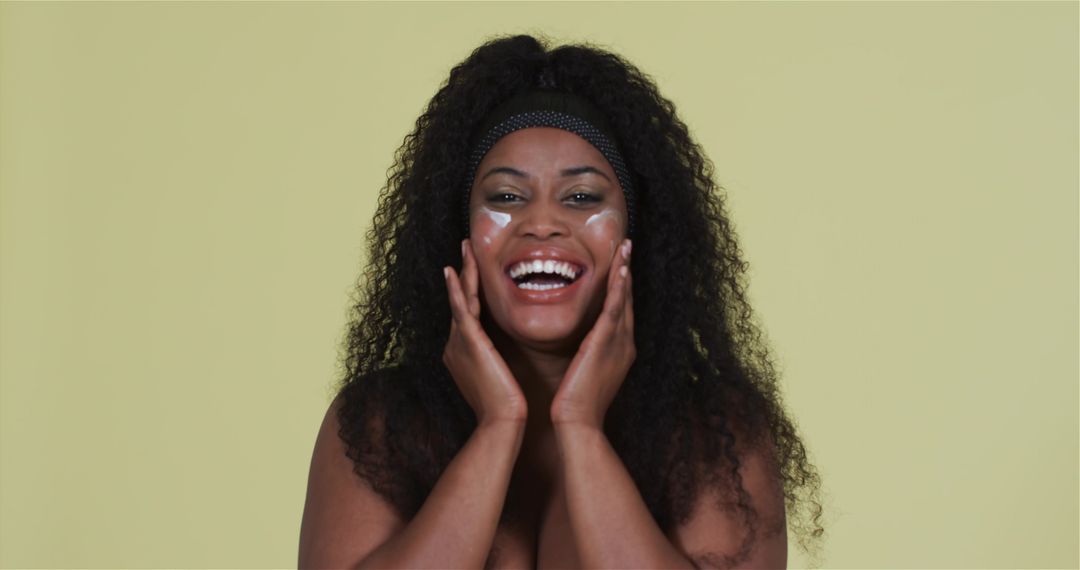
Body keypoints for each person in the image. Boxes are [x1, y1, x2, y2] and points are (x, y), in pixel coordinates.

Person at [299, 34, 825, 569]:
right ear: (460, 234)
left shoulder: (715, 436)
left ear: (635, 235)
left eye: (581, 197)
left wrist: (581, 427)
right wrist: (498, 425)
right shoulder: (378, 425)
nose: (542, 223)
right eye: (506, 196)